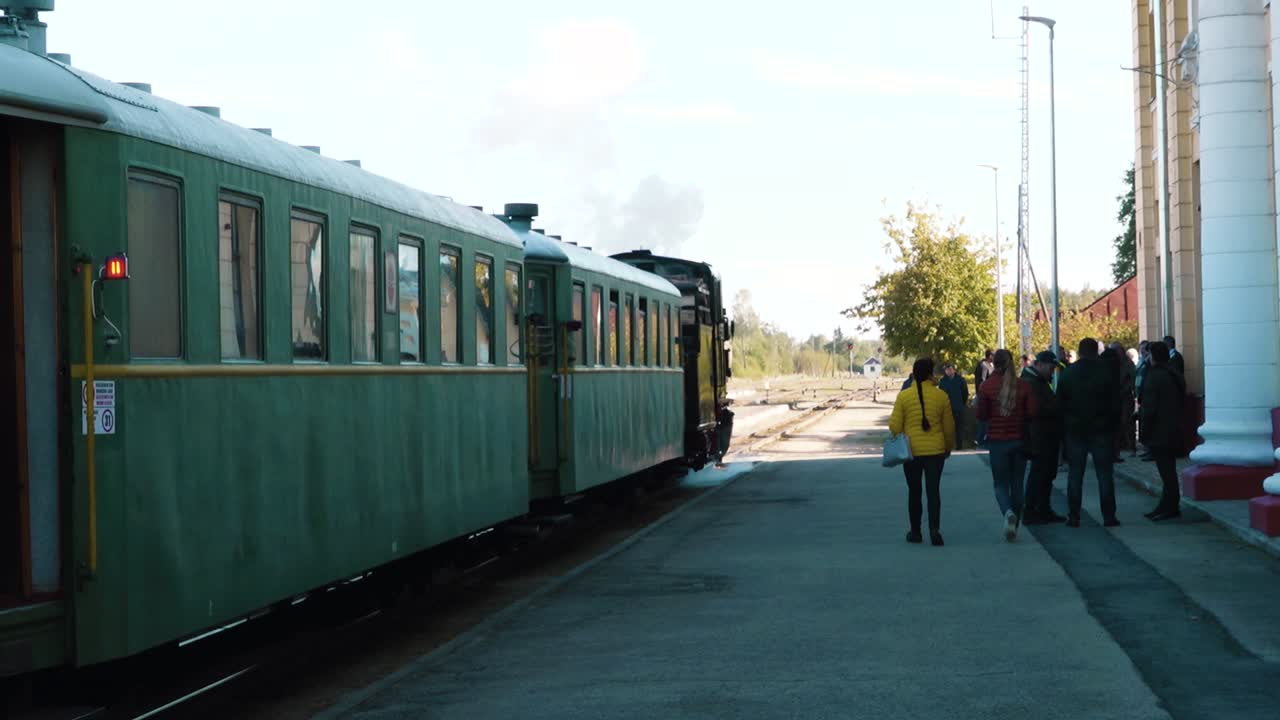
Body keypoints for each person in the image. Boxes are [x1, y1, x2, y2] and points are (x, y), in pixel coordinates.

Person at [889, 357, 956, 546]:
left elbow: (894, 426)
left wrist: (903, 434)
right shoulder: (941, 396)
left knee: (914, 491)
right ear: (930, 374)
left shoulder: (904, 396)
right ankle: (935, 530)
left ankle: (916, 531)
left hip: (911, 452)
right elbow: (949, 427)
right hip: (936, 452)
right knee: (933, 491)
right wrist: (948, 447)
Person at [1058, 338, 1121, 527]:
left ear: (1080, 351)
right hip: (1101, 429)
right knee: (1105, 474)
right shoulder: (1106, 372)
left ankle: (1074, 515)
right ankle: (1109, 516)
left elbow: (1060, 404)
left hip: (1076, 430)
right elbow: (1115, 403)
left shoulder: (1068, 373)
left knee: (1075, 474)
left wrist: (1066, 426)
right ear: (1096, 351)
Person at [976, 349, 1035, 541]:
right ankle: (1015, 524)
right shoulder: (1023, 386)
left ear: (994, 363)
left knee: (1000, 484)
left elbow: (982, 415)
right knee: (1017, 483)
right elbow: (1032, 413)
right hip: (1019, 440)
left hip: (998, 442)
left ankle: (1007, 512)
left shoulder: (986, 387)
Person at [1140, 341, 1187, 521]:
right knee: (1169, 471)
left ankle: (1168, 506)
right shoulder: (1174, 374)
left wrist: (1144, 432)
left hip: (1159, 431)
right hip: (1173, 428)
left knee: (1166, 472)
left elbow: (1149, 408)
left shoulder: (1155, 376)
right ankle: (1168, 505)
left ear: (1154, 356)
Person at [1021, 351, 1066, 524]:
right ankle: (1033, 509)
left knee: (1045, 473)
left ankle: (1043, 509)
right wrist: (1057, 407)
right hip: (1040, 435)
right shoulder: (1032, 383)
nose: (1052, 372)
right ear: (1039, 365)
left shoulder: (1037, 382)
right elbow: (1039, 410)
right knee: (1040, 473)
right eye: (1050, 368)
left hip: (1045, 434)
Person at [937, 362, 969, 450]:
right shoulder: (943, 381)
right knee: (948, 428)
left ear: (954, 370)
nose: (948, 371)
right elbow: (940, 394)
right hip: (947, 408)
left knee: (959, 428)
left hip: (958, 407)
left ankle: (959, 446)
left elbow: (965, 393)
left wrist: (961, 404)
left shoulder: (961, 380)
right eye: (947, 370)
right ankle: (948, 446)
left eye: (950, 369)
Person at [974, 350, 995, 448]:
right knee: (984, 419)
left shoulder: (988, 365)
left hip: (987, 396)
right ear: (989, 356)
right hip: (984, 396)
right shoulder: (984, 365)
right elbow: (982, 381)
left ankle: (983, 438)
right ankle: (981, 439)